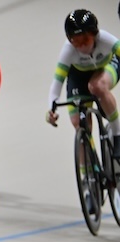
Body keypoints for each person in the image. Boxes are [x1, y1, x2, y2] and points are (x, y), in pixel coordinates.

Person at [46, 9, 120, 162]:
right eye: (76, 41)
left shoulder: (105, 39)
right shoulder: (68, 50)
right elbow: (57, 82)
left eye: (85, 40)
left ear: (94, 34)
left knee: (97, 86)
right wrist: (51, 110)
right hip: (79, 77)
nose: (81, 46)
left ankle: (117, 134)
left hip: (106, 67)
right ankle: (88, 175)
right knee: (79, 125)